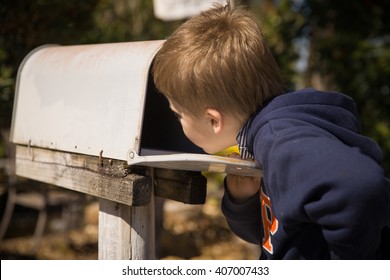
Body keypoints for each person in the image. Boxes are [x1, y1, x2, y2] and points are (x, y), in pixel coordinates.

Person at [152, 1, 390, 259]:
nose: (177, 121)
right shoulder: (265, 138)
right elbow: (275, 235)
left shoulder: (279, 139)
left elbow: (359, 189)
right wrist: (242, 201)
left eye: (178, 114)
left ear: (213, 120)